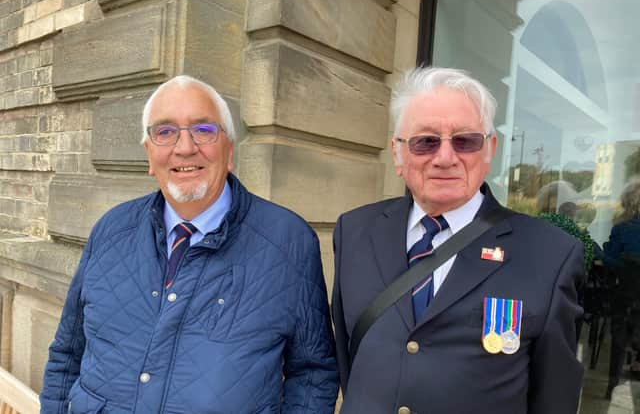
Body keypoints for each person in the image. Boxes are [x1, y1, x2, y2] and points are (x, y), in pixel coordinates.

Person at [40, 75, 339, 413]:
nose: (184, 147)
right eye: (165, 131)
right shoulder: (110, 230)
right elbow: (67, 354)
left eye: (204, 130)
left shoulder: (288, 241)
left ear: (229, 151)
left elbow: (313, 374)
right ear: (149, 154)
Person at [332, 67, 584, 414]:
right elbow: (351, 360)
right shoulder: (355, 231)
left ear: (489, 149)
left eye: (465, 141)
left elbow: (554, 399)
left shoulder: (550, 254)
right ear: (397, 154)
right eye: (425, 141)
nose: (445, 157)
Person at [603, 180, 640, 398]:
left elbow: (613, 263)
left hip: (626, 298)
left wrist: (598, 250)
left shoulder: (622, 229)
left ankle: (613, 382)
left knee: (621, 313)